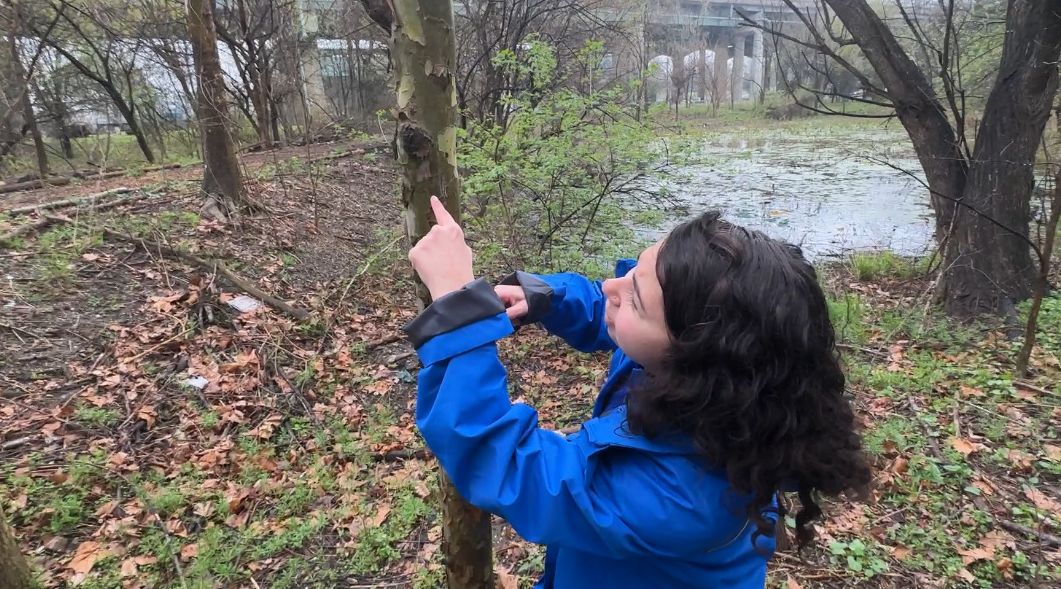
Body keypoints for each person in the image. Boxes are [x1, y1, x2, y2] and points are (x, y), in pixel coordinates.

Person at [403, 196, 872, 588]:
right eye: (637, 270)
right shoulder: (716, 383)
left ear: (693, 354)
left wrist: (456, 304)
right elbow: (616, 313)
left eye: (635, 296)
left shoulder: (679, 498)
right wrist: (549, 297)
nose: (612, 284)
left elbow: (498, 454)